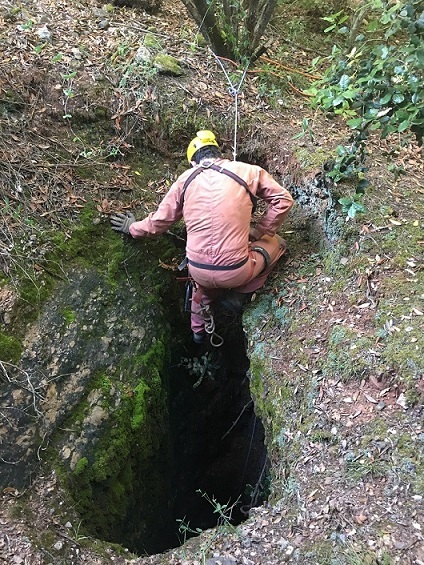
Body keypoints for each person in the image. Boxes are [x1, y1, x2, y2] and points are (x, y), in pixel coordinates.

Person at [111, 130, 294, 343]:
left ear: (193, 162)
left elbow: (158, 222)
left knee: (202, 287)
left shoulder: (184, 180)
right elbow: (283, 200)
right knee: (277, 242)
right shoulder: (247, 171)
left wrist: (132, 227)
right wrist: (261, 230)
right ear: (219, 152)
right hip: (237, 271)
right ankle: (239, 294)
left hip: (198, 271)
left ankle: (198, 333)